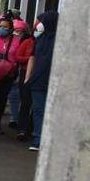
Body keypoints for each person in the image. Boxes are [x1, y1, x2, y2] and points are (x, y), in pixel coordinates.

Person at [25, 11, 58, 151]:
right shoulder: (39, 38)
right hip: (37, 80)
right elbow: (32, 57)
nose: (39, 24)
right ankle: (38, 140)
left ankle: (51, 140)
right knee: (38, 111)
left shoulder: (62, 40)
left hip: (54, 83)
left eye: (42, 21)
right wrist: (27, 76)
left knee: (52, 112)